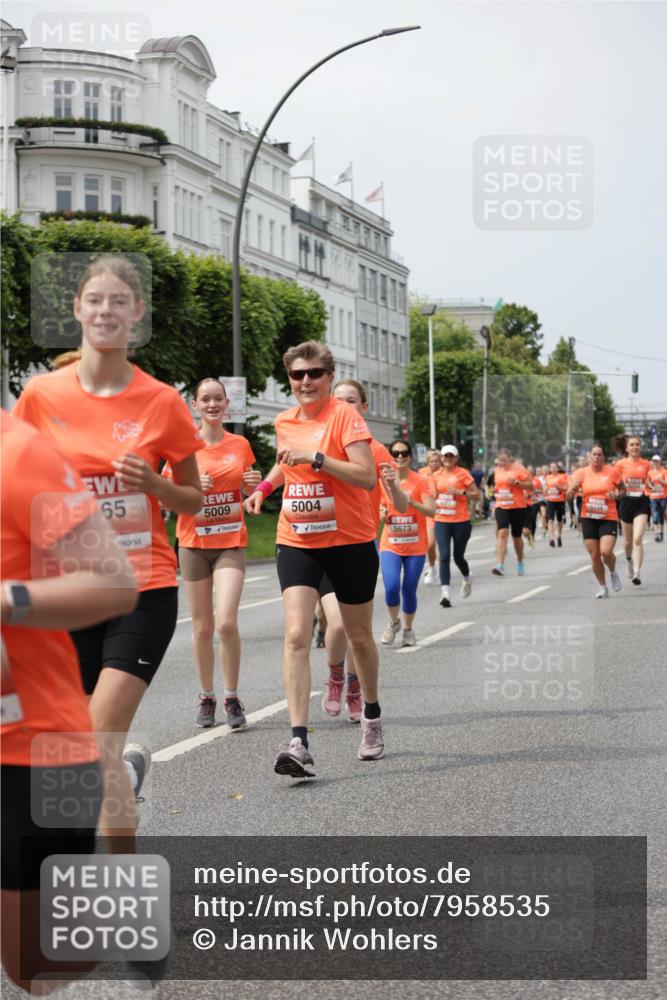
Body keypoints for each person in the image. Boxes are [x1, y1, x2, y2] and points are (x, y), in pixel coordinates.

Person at [14, 254, 204, 851]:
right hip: (66, 592)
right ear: (77, 309)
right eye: (95, 299)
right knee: (81, 757)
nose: (105, 310)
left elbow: (194, 499)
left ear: (136, 313)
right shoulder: (40, 397)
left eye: (119, 301)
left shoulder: (161, 402)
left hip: (141, 586)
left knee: (95, 742)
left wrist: (155, 486)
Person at [1, 410, 138, 991]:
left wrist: (9, 601)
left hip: (28, 744)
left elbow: (113, 582)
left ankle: (114, 781)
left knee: (36, 966)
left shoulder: (18, 454)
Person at [244, 342, 384, 776]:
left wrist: (319, 459)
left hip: (350, 540)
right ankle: (298, 741)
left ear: (328, 375)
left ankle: (373, 718)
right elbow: (285, 465)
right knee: (295, 635)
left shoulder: (345, 416)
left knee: (358, 637)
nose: (306, 381)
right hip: (298, 538)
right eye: (297, 375)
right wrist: (263, 490)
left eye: (315, 373)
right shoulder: (285, 420)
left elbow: (365, 477)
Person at [164, 377, 260, 729]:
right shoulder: (181, 448)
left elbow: (250, 485)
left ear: (226, 404)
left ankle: (232, 696)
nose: (212, 404)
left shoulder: (240, 444)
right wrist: (186, 486)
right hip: (193, 544)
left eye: (218, 398)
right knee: (202, 628)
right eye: (205, 399)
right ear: (195, 405)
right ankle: (207, 697)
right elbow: (164, 495)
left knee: (226, 622)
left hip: (231, 540)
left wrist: (253, 487)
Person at [317, 379, 393, 723]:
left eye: (352, 401)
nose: (344, 406)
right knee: (334, 625)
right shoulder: (319, 440)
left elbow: (392, 493)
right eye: (339, 400)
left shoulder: (376, 451)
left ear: (363, 407)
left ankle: (352, 685)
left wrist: (391, 505)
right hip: (318, 540)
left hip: (357, 544)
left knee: (355, 631)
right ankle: (335, 677)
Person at [379, 440, 435, 645]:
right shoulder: (383, 481)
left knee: (409, 588)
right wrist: (382, 513)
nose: (399, 457)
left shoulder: (420, 481)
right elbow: (381, 505)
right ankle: (394, 623)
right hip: (390, 544)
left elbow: (432, 511)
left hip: (415, 546)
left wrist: (413, 503)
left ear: (410, 457)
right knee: (392, 586)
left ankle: (408, 629)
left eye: (404, 453)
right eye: (395, 453)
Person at [566, 443, 624, 598]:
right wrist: (572, 489)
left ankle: (613, 572)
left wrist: (616, 496)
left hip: (608, 517)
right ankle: (603, 587)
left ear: (603, 457)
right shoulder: (580, 473)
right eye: (594, 454)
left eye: (600, 454)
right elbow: (568, 496)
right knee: (594, 555)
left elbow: (623, 491)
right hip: (588, 517)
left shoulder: (612, 472)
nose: (597, 457)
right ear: (589, 456)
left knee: (606, 552)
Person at [431, 445, 479, 607]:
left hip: (460, 522)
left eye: (451, 456)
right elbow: (431, 494)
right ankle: (445, 594)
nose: (447, 459)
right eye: (445, 456)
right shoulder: (436, 475)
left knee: (458, 557)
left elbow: (477, 495)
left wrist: (461, 493)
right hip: (442, 520)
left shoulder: (463, 474)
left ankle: (467, 577)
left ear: (456, 458)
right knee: (444, 556)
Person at [616, 435, 651, 584]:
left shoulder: (646, 464)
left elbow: (647, 481)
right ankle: (629, 560)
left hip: (641, 502)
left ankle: (637, 572)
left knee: (637, 539)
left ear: (640, 447)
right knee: (628, 541)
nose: (634, 447)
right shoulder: (620, 464)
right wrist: (615, 493)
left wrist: (650, 486)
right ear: (627, 448)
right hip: (626, 502)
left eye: (637, 444)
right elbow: (615, 483)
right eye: (632, 445)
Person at [491, 449, 532, 575]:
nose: (502, 463)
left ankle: (520, 562)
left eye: (504, 460)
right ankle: (500, 565)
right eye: (500, 460)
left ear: (510, 459)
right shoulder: (497, 470)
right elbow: (497, 486)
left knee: (516, 536)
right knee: (502, 532)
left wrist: (516, 483)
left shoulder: (519, 469)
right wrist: (495, 492)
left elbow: (530, 486)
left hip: (517, 506)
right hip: (502, 505)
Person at [419, 449, 443, 585]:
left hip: (444, 512)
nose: (434, 464)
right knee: (430, 544)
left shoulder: (444, 473)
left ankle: (441, 569)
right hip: (429, 512)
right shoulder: (422, 473)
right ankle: (432, 567)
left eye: (437, 461)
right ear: (428, 462)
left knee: (443, 545)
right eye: (432, 461)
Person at [545, 462, 569, 548]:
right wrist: (545, 491)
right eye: (551, 467)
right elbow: (546, 488)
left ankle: (559, 536)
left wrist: (558, 487)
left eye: (555, 467)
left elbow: (567, 488)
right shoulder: (547, 477)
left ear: (557, 469)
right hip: (550, 500)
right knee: (550, 520)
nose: (553, 469)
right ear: (550, 469)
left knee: (559, 520)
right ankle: (552, 538)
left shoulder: (563, 476)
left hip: (560, 501)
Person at [648, 455, 666, 542]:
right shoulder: (650, 472)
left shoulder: (664, 471)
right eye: (654, 461)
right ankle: (656, 534)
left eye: (657, 461)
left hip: (663, 496)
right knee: (655, 515)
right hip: (653, 496)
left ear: (660, 462)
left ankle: (661, 532)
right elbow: (647, 483)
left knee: (661, 515)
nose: (655, 463)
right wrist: (651, 486)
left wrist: (661, 480)